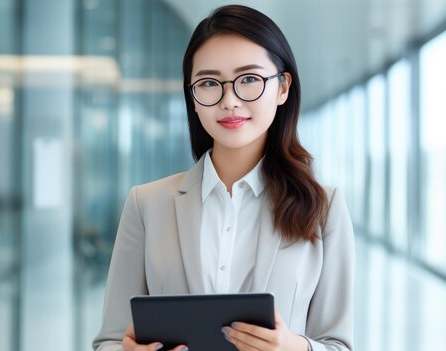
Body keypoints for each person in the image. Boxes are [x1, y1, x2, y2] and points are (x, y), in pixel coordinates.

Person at [93, 5, 354, 351]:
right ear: (193, 97)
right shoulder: (147, 204)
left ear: (282, 88)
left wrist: (295, 347)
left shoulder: (323, 207)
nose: (229, 101)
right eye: (209, 83)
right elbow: (109, 341)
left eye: (249, 79)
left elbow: (340, 345)